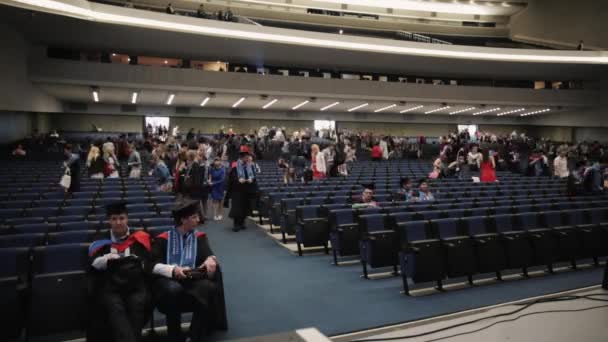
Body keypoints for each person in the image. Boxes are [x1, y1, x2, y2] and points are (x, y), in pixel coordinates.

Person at [150, 201, 221, 342]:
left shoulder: (199, 237)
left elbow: (209, 254)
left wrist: (210, 259)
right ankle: (174, 335)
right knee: (173, 290)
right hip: (168, 283)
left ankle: (194, 335)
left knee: (208, 288)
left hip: (191, 281)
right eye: (194, 217)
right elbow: (151, 265)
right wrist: (173, 269)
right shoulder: (163, 239)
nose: (198, 220)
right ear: (183, 219)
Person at [88, 202, 152, 342]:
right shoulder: (100, 240)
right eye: (114, 219)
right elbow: (93, 264)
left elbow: (148, 263)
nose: (118, 222)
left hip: (135, 286)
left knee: (137, 303)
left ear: (127, 219)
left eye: (121, 218)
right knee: (115, 306)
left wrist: (137, 261)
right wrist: (107, 259)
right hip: (111, 287)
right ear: (109, 220)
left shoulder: (139, 238)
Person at [227, 146, 258, 232]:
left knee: (245, 207)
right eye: (246, 156)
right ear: (242, 156)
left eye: (248, 156)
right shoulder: (235, 165)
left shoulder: (249, 165)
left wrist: (251, 179)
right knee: (237, 208)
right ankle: (236, 224)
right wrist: (238, 180)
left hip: (246, 189)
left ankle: (242, 222)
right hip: (237, 190)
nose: (248, 157)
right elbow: (232, 178)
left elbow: (253, 175)